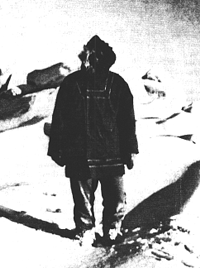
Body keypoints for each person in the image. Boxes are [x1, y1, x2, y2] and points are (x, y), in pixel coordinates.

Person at [47, 35, 138, 246]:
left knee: (115, 198)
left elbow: (127, 120)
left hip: (112, 153)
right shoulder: (71, 83)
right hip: (79, 152)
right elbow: (60, 117)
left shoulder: (118, 84)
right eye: (88, 57)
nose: (89, 61)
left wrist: (130, 149)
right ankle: (85, 231)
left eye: (94, 57)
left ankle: (112, 230)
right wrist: (57, 148)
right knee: (83, 200)